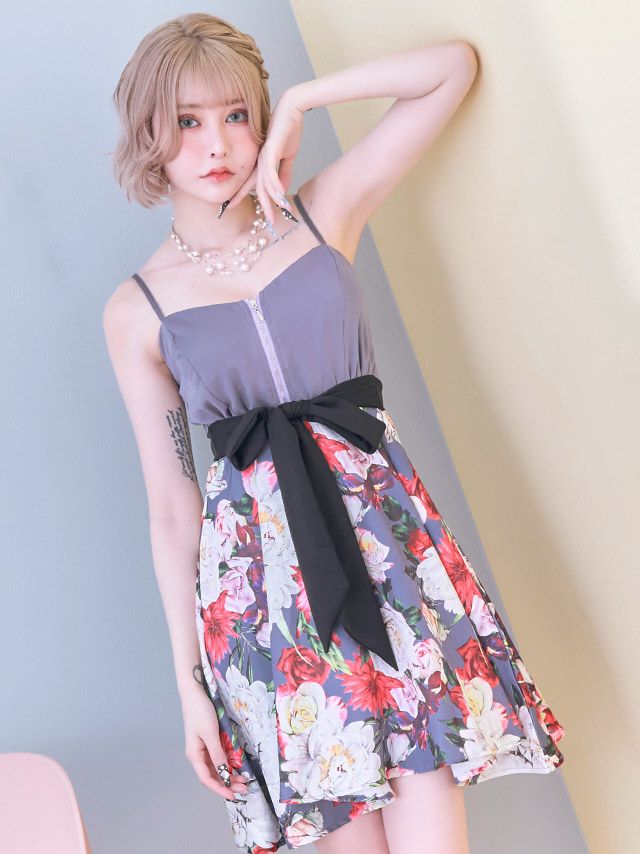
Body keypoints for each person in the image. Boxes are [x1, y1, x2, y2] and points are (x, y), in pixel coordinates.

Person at [103, 12, 565, 854]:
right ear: (149, 137)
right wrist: (189, 684)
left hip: (389, 558)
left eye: (236, 114)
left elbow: (451, 69)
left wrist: (303, 101)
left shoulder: (321, 215)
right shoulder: (138, 309)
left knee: (432, 805)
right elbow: (172, 507)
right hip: (267, 600)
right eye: (187, 122)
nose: (218, 144)